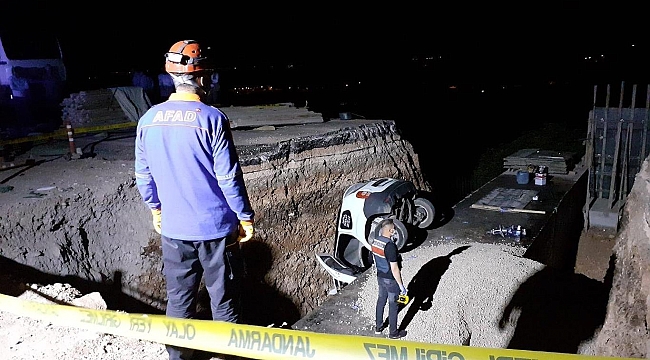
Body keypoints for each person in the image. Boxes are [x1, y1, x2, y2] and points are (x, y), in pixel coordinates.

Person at [134, 39, 255, 360]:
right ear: (203, 78)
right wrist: (245, 217)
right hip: (216, 231)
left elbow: (144, 176)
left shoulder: (148, 120)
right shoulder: (212, 118)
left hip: (174, 230)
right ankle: (225, 356)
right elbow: (228, 178)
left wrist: (156, 209)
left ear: (171, 77)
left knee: (179, 300)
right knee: (224, 302)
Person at [371, 218, 408, 339]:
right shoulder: (390, 246)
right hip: (390, 280)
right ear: (391, 231)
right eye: (394, 230)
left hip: (380, 276)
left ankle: (378, 327)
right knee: (393, 305)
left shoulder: (375, 241)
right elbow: (394, 268)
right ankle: (393, 333)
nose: (395, 232)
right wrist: (401, 286)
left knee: (381, 300)